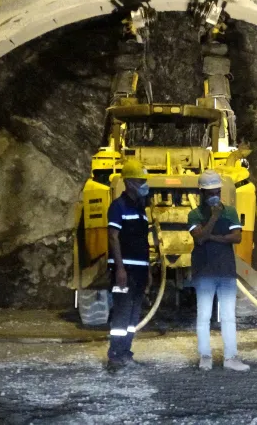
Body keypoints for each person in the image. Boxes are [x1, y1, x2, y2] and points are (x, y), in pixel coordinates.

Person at [188, 169, 250, 371]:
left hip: (226, 271)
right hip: (204, 272)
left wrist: (212, 237)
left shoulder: (231, 211)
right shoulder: (194, 214)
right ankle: (205, 356)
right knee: (204, 315)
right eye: (209, 192)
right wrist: (214, 219)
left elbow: (237, 237)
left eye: (216, 191)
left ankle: (231, 357)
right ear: (202, 194)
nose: (214, 196)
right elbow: (198, 238)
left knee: (228, 315)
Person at [106, 159, 152, 372]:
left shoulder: (141, 209)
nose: (144, 184)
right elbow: (113, 237)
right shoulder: (118, 206)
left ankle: (126, 352)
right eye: (140, 180)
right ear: (129, 182)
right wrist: (120, 269)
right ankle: (115, 355)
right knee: (122, 314)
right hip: (126, 270)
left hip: (140, 270)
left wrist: (148, 270)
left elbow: (143, 243)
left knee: (133, 316)